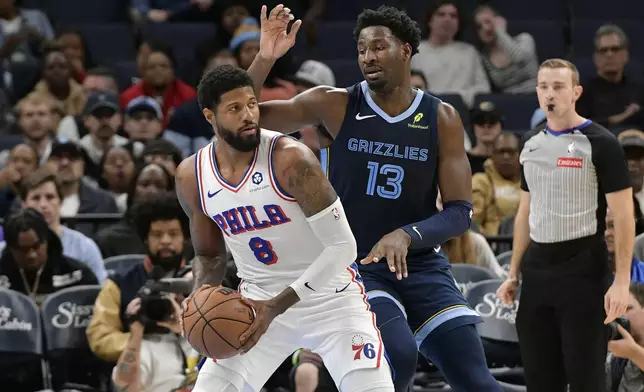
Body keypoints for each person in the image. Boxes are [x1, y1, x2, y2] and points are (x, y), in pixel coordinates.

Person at [246, 5, 500, 392]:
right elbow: (242, 117)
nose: (368, 57)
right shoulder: (336, 104)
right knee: (397, 354)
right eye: (362, 49)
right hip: (356, 264)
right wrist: (265, 57)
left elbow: (461, 213)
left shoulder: (441, 117)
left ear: (406, 51)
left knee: (477, 380)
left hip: (422, 266)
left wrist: (408, 235)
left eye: (379, 47)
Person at [176, 6, 394, 392]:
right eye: (235, 109)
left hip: (330, 301)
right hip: (254, 306)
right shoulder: (192, 176)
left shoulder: (290, 159)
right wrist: (199, 299)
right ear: (210, 116)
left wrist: (275, 306)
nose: (249, 115)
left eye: (253, 104)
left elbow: (343, 247)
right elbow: (210, 256)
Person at [496, 59, 634, 392]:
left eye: (558, 87)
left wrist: (621, 281)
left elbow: (625, 215)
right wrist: (513, 273)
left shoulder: (602, 143)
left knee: (586, 379)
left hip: (583, 272)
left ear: (576, 92)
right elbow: (525, 214)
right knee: (541, 381)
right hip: (537, 273)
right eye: (543, 86)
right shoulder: (529, 142)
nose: (549, 94)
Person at [0, 208, 98, 306]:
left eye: (36, 246)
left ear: (47, 240)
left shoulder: (78, 274)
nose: (32, 255)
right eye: (23, 250)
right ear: (11, 249)